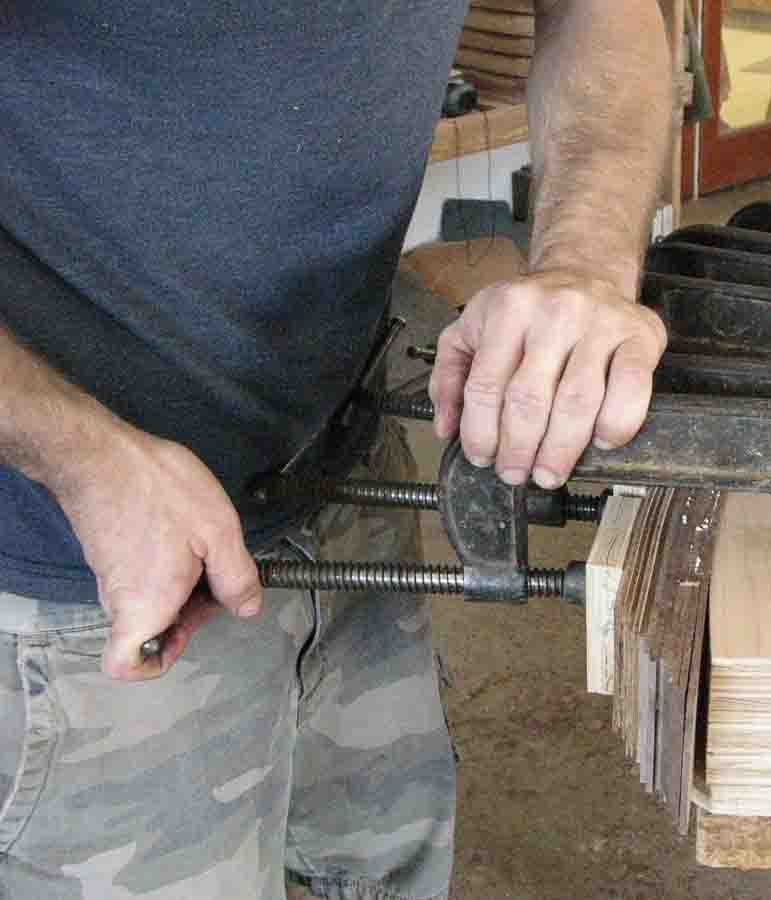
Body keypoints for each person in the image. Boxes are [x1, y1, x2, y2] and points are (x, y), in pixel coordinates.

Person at [0, 2, 671, 898]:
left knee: (387, 863)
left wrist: (583, 259)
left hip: (340, 458)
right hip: (87, 560)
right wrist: (81, 454)